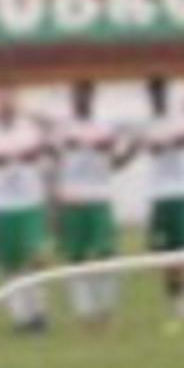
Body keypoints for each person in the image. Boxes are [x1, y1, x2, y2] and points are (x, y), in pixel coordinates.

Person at [0, 89, 55, 334]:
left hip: (29, 204)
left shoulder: (31, 128)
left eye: (9, 98)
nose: (5, 104)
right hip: (2, 207)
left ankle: (39, 312)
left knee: (35, 261)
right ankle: (20, 317)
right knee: (8, 265)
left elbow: (52, 144)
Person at [49, 80, 132, 333]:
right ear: (71, 99)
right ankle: (84, 314)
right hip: (73, 201)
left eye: (86, 95)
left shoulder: (105, 128)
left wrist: (132, 153)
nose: (81, 100)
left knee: (106, 256)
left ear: (93, 97)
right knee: (76, 259)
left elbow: (114, 163)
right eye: (77, 95)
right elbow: (55, 168)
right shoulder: (61, 131)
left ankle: (106, 311)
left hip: (99, 199)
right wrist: (54, 206)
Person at [141, 75, 184, 333]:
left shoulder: (183, 119)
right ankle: (176, 308)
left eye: (159, 92)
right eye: (152, 94)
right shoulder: (150, 125)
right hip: (162, 196)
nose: (156, 98)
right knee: (167, 254)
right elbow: (148, 150)